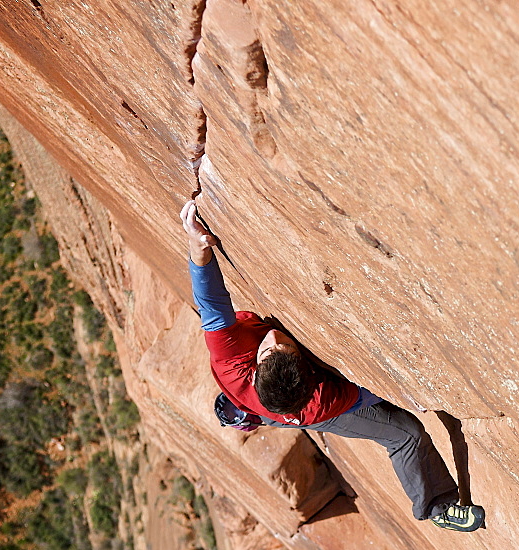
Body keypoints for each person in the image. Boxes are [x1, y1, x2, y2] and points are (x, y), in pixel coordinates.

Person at [180, 200, 484, 532]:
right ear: (306, 374)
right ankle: (436, 507)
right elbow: (374, 392)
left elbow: (210, 300)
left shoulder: (228, 356)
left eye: (275, 347)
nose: (277, 338)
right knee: (406, 432)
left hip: (266, 399)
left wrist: (197, 248)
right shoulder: (323, 400)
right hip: (314, 411)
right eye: (279, 348)